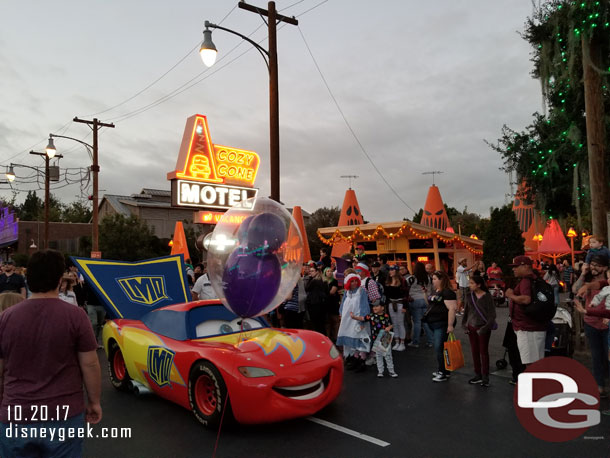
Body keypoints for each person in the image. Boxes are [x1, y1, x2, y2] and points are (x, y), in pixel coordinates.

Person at [0, 249, 101, 457]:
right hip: (63, 415)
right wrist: (94, 402)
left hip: (16, 414)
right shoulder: (76, 316)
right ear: (58, 279)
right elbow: (90, 364)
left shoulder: (6, 318)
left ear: (28, 279)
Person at [572, 255, 609, 397]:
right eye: (592, 264)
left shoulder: (607, 281)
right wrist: (582, 273)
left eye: (597, 265)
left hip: (607, 324)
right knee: (596, 356)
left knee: (607, 356)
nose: (593, 267)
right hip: (591, 323)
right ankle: (599, 386)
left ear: (605, 267)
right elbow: (575, 289)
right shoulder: (587, 279)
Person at [505, 256, 547, 366]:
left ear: (526, 266)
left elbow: (526, 299)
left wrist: (511, 295)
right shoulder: (535, 279)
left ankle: (533, 383)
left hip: (527, 328)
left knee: (530, 363)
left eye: (516, 266)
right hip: (535, 325)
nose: (513, 269)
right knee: (536, 361)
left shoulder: (526, 280)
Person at [462, 275, 496, 387]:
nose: (469, 285)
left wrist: (484, 328)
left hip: (483, 327)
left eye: (472, 283)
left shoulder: (487, 297)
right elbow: (466, 312)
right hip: (471, 327)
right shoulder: (468, 295)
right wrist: (464, 326)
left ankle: (485, 376)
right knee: (474, 351)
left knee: (483, 352)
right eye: (469, 283)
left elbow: (492, 315)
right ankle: (478, 374)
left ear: (479, 284)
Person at [426, 270, 458, 382]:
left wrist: (450, 325)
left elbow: (452, 309)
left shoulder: (448, 292)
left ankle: (443, 372)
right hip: (435, 323)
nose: (433, 281)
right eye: (433, 279)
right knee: (440, 348)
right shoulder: (437, 291)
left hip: (442, 323)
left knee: (439, 348)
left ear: (441, 280)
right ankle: (444, 370)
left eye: (435, 279)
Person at [350, 303, 397, 378]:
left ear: (382, 308)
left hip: (385, 336)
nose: (374, 308)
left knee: (388, 355)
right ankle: (380, 371)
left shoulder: (386, 316)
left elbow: (391, 324)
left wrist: (389, 328)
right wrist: (354, 317)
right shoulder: (371, 316)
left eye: (377, 306)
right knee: (378, 355)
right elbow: (362, 318)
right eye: (373, 306)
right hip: (376, 338)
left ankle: (391, 371)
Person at [337, 273, 371, 372]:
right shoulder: (347, 292)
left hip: (358, 319)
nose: (355, 283)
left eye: (356, 280)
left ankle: (362, 362)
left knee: (359, 339)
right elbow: (343, 304)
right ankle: (353, 359)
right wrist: (341, 314)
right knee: (351, 341)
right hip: (347, 320)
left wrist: (362, 319)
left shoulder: (362, 291)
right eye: (352, 281)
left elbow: (364, 305)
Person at [406, 262, 434, 348]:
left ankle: (416, 342)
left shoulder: (411, 278)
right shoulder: (429, 278)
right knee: (425, 322)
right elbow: (432, 288)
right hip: (426, 300)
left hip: (415, 300)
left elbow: (406, 288)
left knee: (417, 322)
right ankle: (430, 341)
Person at [385, 265, 408, 351]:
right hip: (391, 303)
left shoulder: (402, 280)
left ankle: (402, 343)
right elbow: (387, 295)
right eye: (389, 270)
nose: (390, 271)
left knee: (400, 323)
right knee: (394, 323)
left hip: (400, 303)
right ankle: (397, 341)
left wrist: (405, 306)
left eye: (392, 270)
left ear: (396, 271)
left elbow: (406, 294)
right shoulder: (388, 281)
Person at [304, 265, 329, 336]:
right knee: (321, 324)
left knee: (316, 324)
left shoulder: (314, 281)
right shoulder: (324, 280)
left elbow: (307, 288)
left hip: (314, 305)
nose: (310, 273)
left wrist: (310, 278)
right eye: (310, 271)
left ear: (317, 272)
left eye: (312, 271)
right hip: (322, 305)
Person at [323, 267, 341, 342]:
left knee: (335, 321)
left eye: (331, 271)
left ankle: (336, 337)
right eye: (328, 271)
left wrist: (323, 293)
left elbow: (332, 292)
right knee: (327, 322)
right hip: (325, 304)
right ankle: (327, 338)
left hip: (333, 303)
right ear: (325, 273)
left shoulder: (335, 281)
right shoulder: (323, 281)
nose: (329, 272)